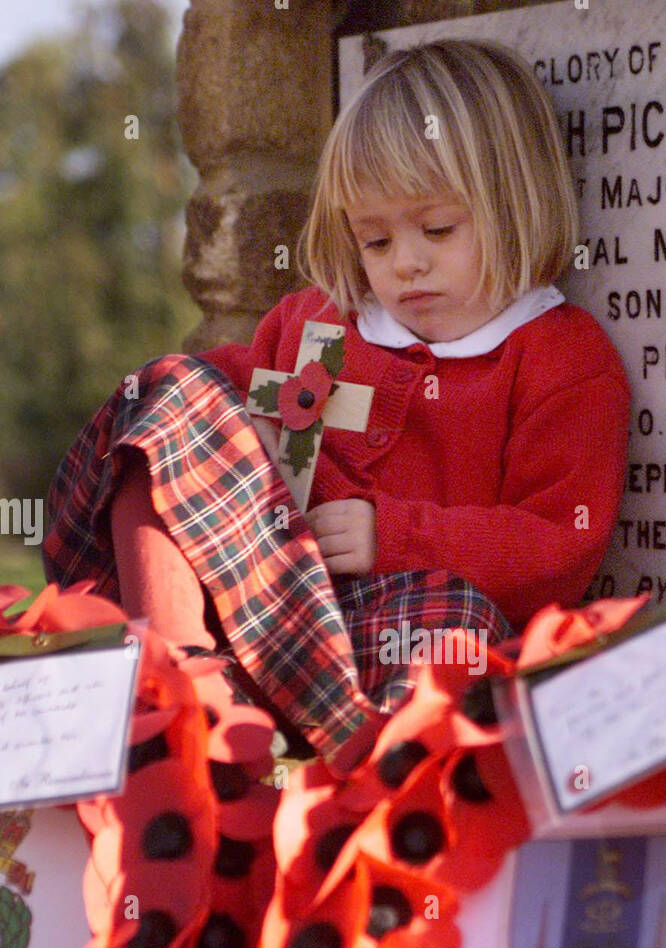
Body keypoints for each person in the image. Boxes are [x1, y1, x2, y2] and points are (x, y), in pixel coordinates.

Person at [43, 38, 631, 774]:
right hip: (262, 609)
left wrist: (396, 536)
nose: (404, 263)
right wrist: (232, 443)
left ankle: (362, 778)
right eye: (374, 238)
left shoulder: (559, 357)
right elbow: (191, 421)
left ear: (515, 203)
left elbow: (557, 545)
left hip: (392, 632)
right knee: (166, 398)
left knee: (457, 628)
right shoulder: (319, 325)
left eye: (437, 229)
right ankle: (174, 679)